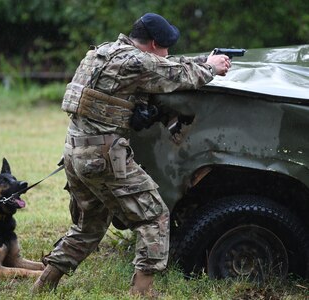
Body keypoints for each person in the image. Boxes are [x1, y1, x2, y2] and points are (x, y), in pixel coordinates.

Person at [32, 12, 231, 296]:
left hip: (75, 153)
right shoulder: (137, 62)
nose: (168, 51)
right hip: (103, 156)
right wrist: (210, 67)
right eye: (165, 46)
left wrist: (203, 60)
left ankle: (43, 284)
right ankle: (142, 291)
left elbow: (164, 65)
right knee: (155, 217)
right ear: (151, 44)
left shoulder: (101, 53)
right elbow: (176, 74)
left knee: (88, 227)